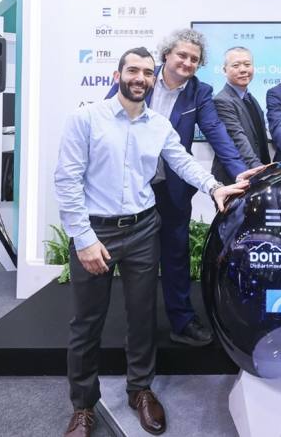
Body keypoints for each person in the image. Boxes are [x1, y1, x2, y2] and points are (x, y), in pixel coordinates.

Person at [56, 47, 248, 437]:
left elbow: (182, 160)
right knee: (87, 322)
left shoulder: (158, 124)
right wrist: (84, 238)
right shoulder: (86, 119)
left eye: (146, 72)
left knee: (142, 316)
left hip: (144, 228)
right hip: (97, 230)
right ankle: (83, 406)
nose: (140, 78)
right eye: (133, 71)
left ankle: (140, 390)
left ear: (152, 77)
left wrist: (215, 187)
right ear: (117, 75)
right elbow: (67, 180)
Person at [105, 29, 255, 348]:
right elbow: (107, 118)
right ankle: (137, 326)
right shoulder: (141, 77)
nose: (187, 62)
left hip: (172, 185)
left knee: (175, 253)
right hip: (131, 184)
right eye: (182, 55)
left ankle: (182, 321)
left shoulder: (200, 92)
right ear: (166, 55)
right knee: (133, 259)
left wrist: (241, 174)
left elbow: (216, 132)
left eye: (194, 59)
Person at [211, 46, 271, 184]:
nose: (243, 70)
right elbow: (237, 138)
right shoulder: (222, 100)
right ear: (224, 70)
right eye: (236, 65)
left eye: (247, 64)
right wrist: (259, 169)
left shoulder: (250, 98)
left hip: (256, 174)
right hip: (234, 177)